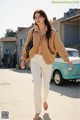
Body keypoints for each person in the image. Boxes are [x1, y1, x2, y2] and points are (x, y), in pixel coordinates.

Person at [20, 9, 73, 120]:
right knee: (37, 85)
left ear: (44, 17)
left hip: (47, 60)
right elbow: (26, 46)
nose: (37, 19)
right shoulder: (32, 31)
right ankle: (37, 112)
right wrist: (23, 59)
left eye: (39, 16)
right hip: (34, 59)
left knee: (46, 86)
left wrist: (67, 59)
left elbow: (59, 46)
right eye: (35, 17)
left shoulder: (52, 32)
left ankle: (44, 100)